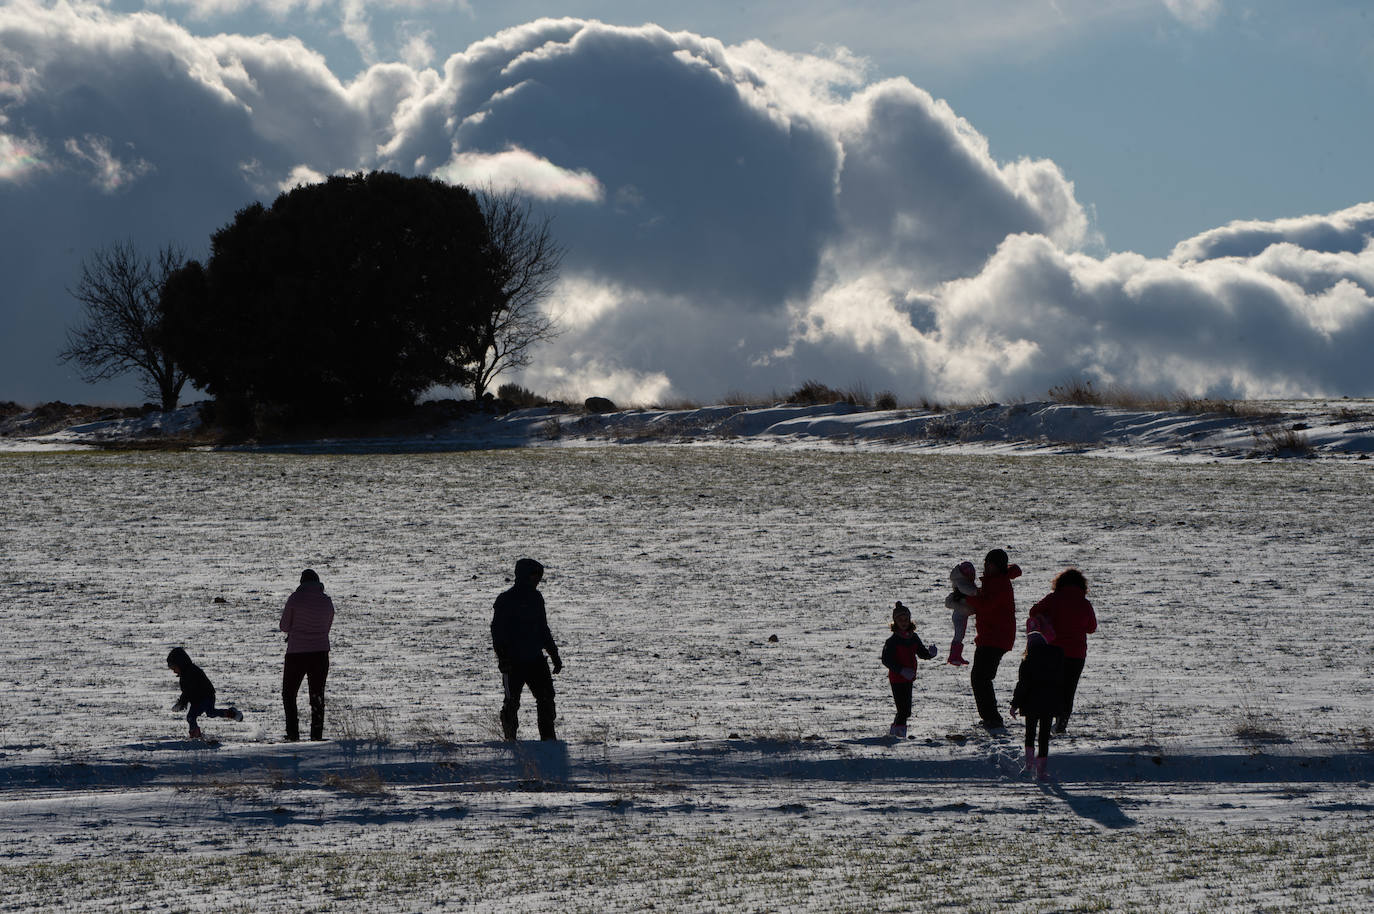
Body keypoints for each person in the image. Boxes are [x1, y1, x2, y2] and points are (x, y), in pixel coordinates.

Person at [491, 558, 563, 741]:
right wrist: (503, 658)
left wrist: (554, 654)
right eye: (533, 575)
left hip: (536, 660)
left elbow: (543, 629)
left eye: (538, 576)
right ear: (523, 576)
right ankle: (510, 740)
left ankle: (549, 741)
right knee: (511, 703)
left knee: (546, 699)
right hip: (513, 663)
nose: (537, 580)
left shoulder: (536, 598)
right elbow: (497, 632)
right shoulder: (505, 600)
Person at [1030, 568, 1097, 733]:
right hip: (1077, 654)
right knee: (1069, 689)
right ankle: (1062, 722)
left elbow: (1033, 612)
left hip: (1053, 650)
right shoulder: (1084, 603)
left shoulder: (1053, 599)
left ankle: (1048, 720)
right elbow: (1091, 627)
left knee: (1051, 686)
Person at [962, 548, 1022, 729]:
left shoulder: (999, 583)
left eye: (991, 564)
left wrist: (967, 597)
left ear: (999, 566)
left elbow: (987, 605)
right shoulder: (995, 581)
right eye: (986, 564)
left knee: (980, 678)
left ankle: (992, 718)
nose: (987, 567)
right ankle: (990, 717)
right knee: (981, 677)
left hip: (995, 637)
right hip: (992, 636)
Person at [280, 568, 335, 741]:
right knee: (317, 696)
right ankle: (316, 735)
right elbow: (327, 626)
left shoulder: (295, 599)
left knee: (289, 695)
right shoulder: (327, 601)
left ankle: (292, 733)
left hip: (296, 653)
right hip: (320, 654)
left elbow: (284, 626)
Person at [1009, 618, 1063, 780]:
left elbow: (1022, 685)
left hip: (1031, 704)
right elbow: (1060, 685)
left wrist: (1014, 705)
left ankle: (1028, 766)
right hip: (1048, 704)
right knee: (1044, 737)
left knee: (1030, 734)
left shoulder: (1027, 662)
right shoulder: (1056, 661)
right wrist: (1060, 707)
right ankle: (1041, 771)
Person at [880, 601, 938, 738]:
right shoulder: (892, 641)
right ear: (895, 622)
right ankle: (899, 735)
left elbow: (921, 652)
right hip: (897, 678)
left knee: (905, 710)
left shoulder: (913, 637)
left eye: (905, 619)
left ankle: (895, 733)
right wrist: (901, 670)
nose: (903, 622)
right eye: (900, 620)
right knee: (903, 709)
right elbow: (886, 660)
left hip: (909, 678)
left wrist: (930, 654)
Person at [166, 646, 243, 739]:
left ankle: (196, 737)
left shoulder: (191, 672)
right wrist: (182, 702)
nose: (174, 671)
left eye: (174, 668)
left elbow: (188, 691)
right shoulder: (184, 675)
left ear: (181, 664)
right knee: (204, 714)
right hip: (197, 700)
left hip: (206, 697)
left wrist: (181, 703)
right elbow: (187, 692)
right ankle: (231, 713)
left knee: (195, 715)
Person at [944, 560, 979, 666]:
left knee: (960, 634)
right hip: (959, 613)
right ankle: (954, 656)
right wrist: (977, 592)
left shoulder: (960, 583)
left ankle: (956, 656)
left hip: (961, 613)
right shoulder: (962, 583)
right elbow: (969, 590)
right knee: (959, 635)